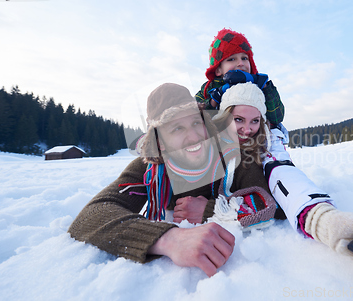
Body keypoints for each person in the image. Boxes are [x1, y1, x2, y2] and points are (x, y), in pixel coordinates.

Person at [68, 82, 281, 277]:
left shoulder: (232, 153)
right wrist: (168, 239)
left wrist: (211, 210)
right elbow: (92, 215)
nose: (194, 135)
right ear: (159, 141)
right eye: (177, 128)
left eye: (196, 123)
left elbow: (266, 203)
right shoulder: (152, 168)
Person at [209, 82, 353, 263]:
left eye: (255, 121)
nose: (247, 129)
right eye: (238, 119)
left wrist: (322, 218)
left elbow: (281, 178)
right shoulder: (204, 146)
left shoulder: (261, 151)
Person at [195, 28, 285, 129]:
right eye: (231, 59)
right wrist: (214, 99)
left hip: (254, 139)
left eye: (244, 58)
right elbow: (193, 116)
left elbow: (277, 117)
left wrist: (265, 87)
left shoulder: (259, 87)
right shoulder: (209, 88)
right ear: (218, 70)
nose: (240, 63)